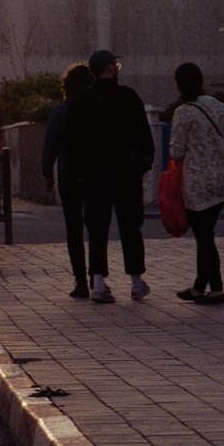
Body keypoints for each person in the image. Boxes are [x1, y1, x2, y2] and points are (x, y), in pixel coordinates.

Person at [41, 50, 155, 303]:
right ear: (111, 68)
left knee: (97, 229)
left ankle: (98, 283)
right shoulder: (128, 97)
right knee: (130, 228)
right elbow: (143, 136)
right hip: (126, 175)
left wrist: (80, 173)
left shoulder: (81, 103)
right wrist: (142, 164)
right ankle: (136, 281)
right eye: (116, 64)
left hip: (95, 177)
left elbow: (73, 143)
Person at [167, 62, 224, 304]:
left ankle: (217, 289)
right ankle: (200, 286)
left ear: (179, 84)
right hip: (221, 179)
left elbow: (177, 151)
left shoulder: (183, 112)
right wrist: (222, 154)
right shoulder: (217, 105)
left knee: (204, 237)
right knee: (205, 233)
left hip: (197, 184)